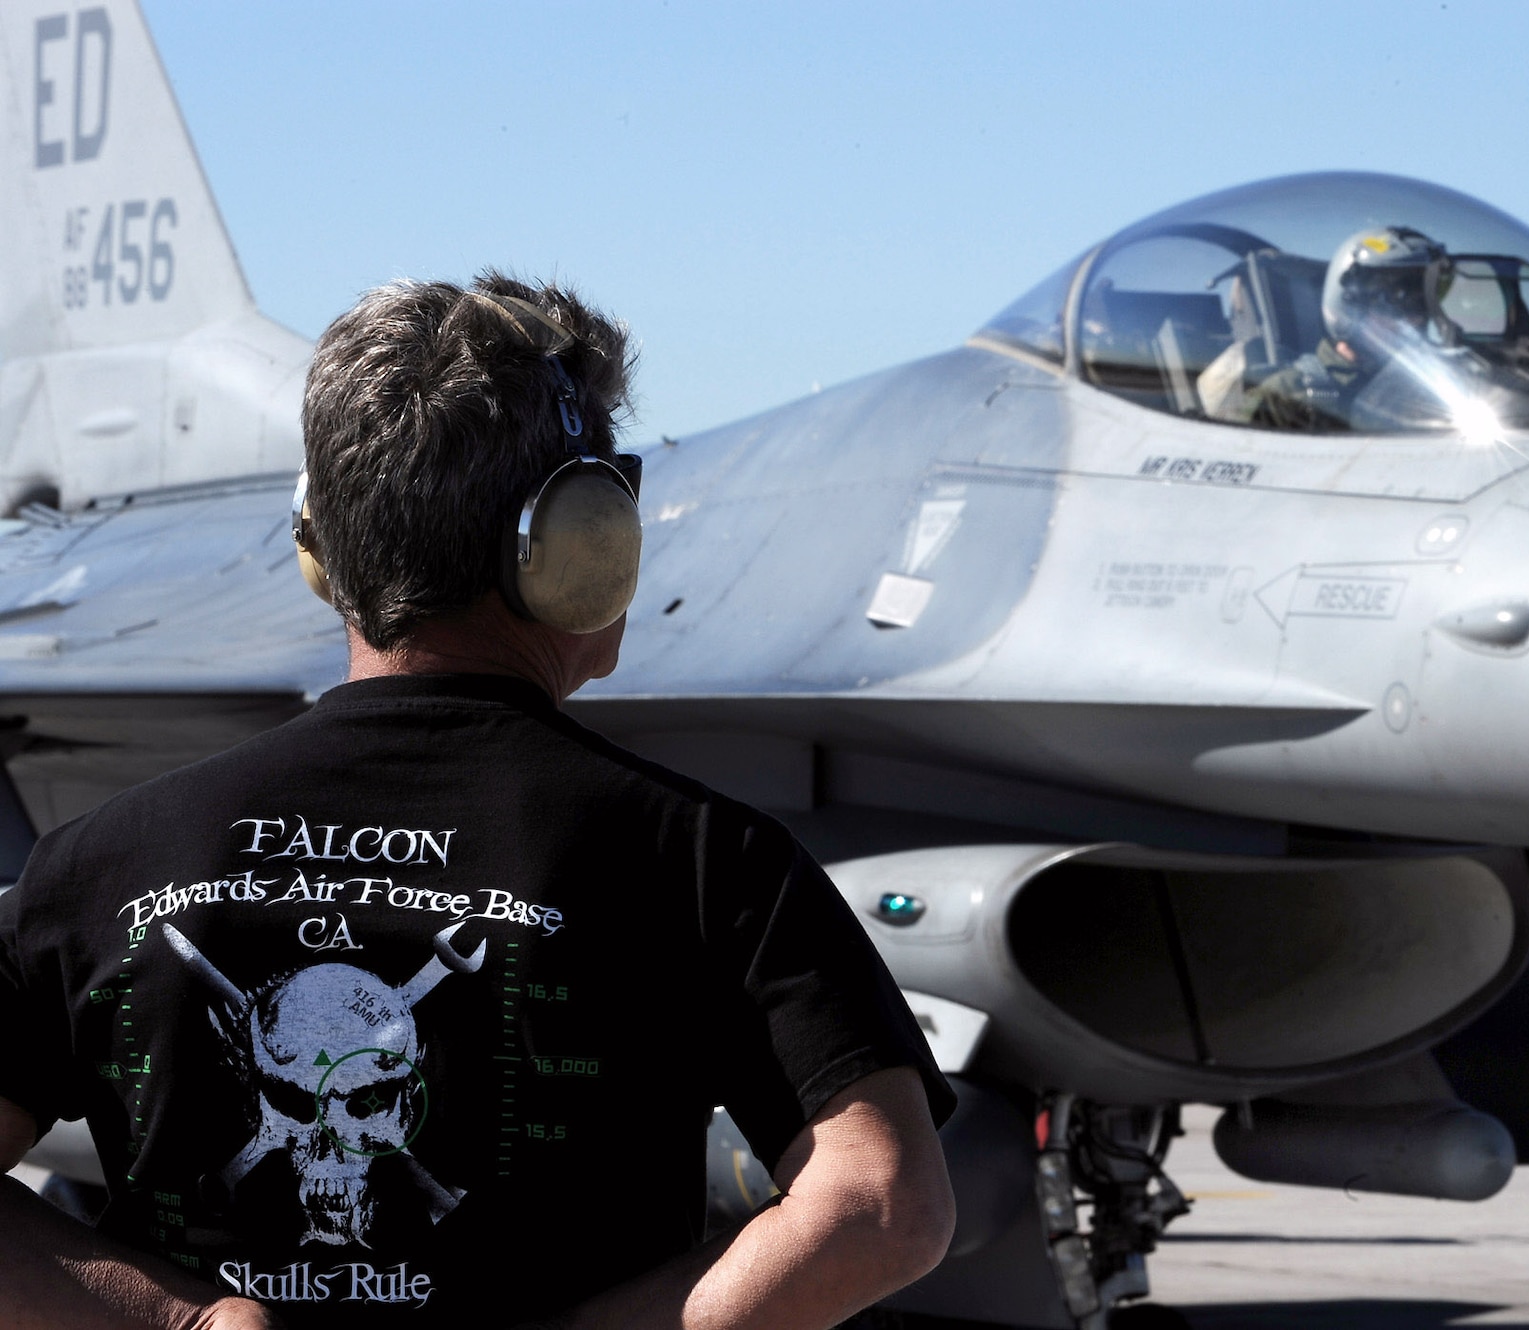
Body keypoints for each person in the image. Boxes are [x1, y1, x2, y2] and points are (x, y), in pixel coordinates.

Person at [0, 273, 957, 1328]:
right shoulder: (704, 862)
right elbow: (882, 1202)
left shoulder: (104, 861)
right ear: (582, 542)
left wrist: (182, 1320)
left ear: (320, 546)